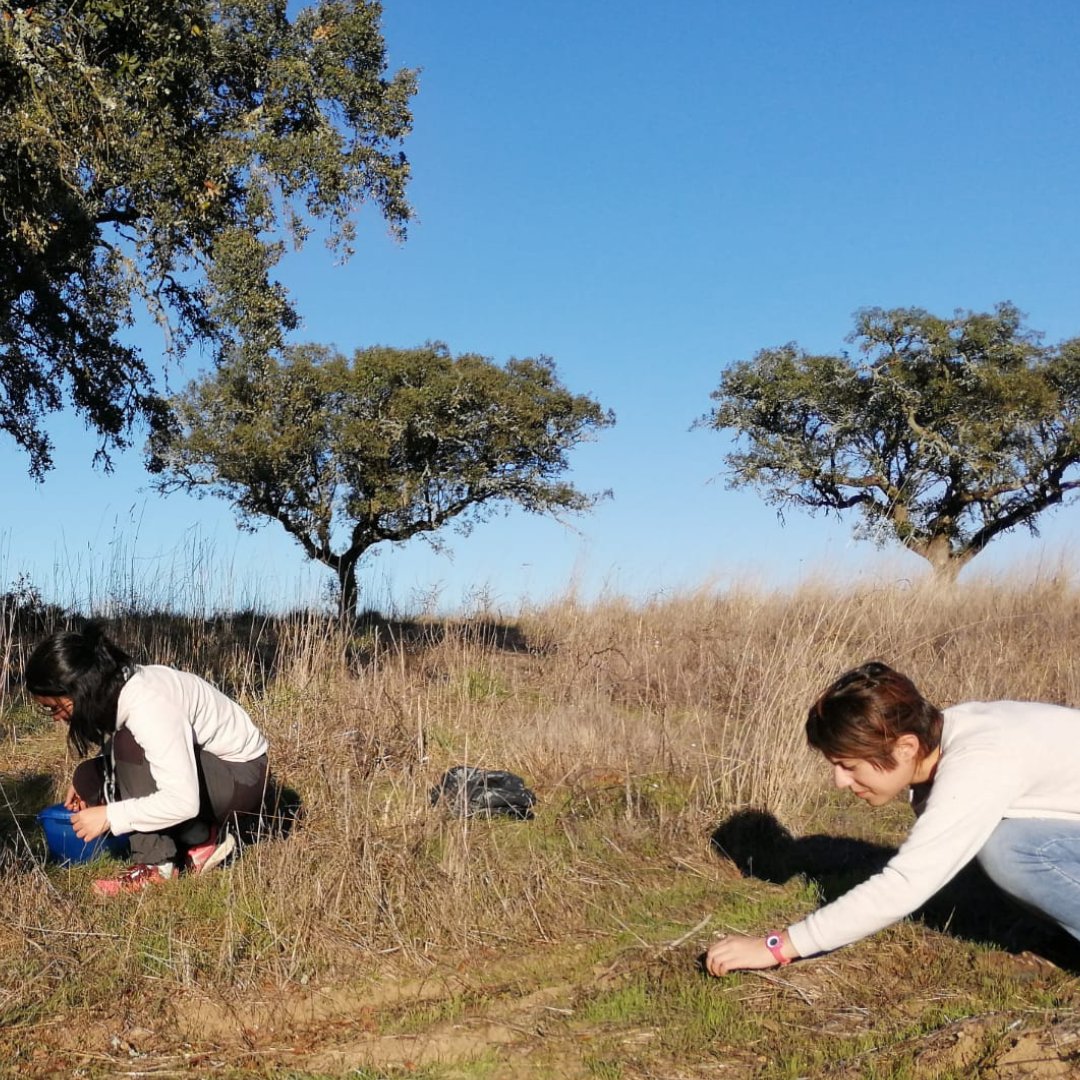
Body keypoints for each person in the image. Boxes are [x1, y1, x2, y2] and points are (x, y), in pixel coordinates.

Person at [705, 661, 1080, 976]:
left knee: (1010, 852)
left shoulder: (981, 760)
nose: (839, 781)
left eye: (848, 766)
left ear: (906, 747)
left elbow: (905, 883)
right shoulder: (946, 743)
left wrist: (777, 947)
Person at [26, 623, 269, 897]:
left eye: (54, 707)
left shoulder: (149, 703)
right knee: (88, 775)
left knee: (129, 746)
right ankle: (194, 836)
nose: (56, 717)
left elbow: (183, 801)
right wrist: (92, 779)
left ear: (80, 689)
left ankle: (159, 864)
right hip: (209, 774)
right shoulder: (116, 689)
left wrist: (109, 816)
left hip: (241, 779)